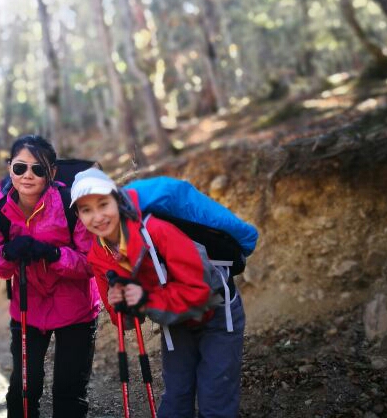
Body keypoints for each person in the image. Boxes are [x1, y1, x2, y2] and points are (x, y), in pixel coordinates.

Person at [70, 168, 251, 418]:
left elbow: (200, 291)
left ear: (118, 201)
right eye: (86, 210)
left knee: (215, 400)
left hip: (217, 313)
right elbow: (126, 322)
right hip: (174, 321)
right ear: (78, 216)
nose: (98, 216)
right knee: (176, 398)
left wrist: (144, 299)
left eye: (103, 204)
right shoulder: (98, 256)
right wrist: (119, 304)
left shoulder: (155, 230)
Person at [0, 135, 102, 418]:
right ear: (10, 168)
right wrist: (8, 254)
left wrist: (53, 254)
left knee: (69, 392)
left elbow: (90, 262)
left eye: (39, 169)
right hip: (27, 309)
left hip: (76, 309)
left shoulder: (73, 204)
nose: (28, 176)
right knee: (24, 388)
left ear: (52, 172)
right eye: (20, 168)